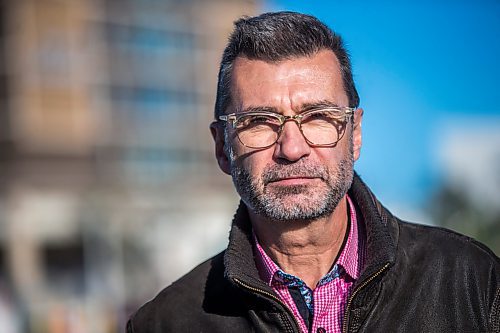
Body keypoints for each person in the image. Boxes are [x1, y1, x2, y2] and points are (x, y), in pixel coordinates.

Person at [127, 11, 499, 333]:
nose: (292, 148)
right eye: (259, 121)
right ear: (222, 146)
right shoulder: (164, 323)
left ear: (354, 134)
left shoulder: (474, 283)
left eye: (318, 117)